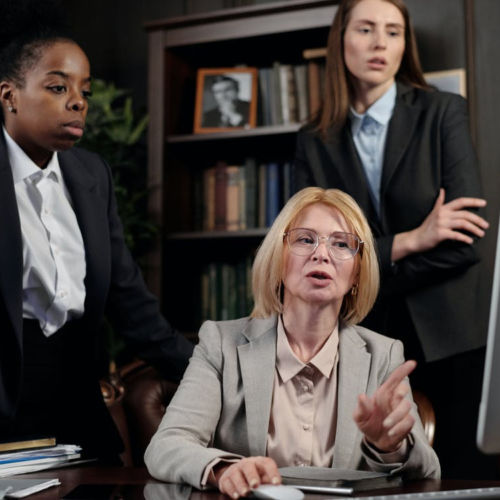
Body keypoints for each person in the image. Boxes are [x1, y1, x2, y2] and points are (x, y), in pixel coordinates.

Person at [293, 0, 494, 479]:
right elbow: (310, 250)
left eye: (394, 31)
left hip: (452, 338)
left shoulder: (442, 112)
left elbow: (466, 243)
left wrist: (364, 265)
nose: (381, 43)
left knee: (463, 478)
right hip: (361, 339)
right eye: (366, 29)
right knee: (373, 480)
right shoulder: (314, 139)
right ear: (341, 39)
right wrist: (414, 238)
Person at [145, 187, 440, 494]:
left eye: (341, 243)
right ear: (278, 260)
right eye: (305, 239)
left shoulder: (383, 355)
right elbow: (166, 445)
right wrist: (225, 469)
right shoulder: (221, 344)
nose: (321, 253)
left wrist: (390, 446)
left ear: (356, 274)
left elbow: (429, 472)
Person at [0, 1, 193, 461]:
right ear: (8, 95)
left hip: (75, 412)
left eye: (84, 90)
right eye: (57, 86)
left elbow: (130, 299)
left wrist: (212, 373)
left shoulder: (91, 175)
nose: (78, 101)